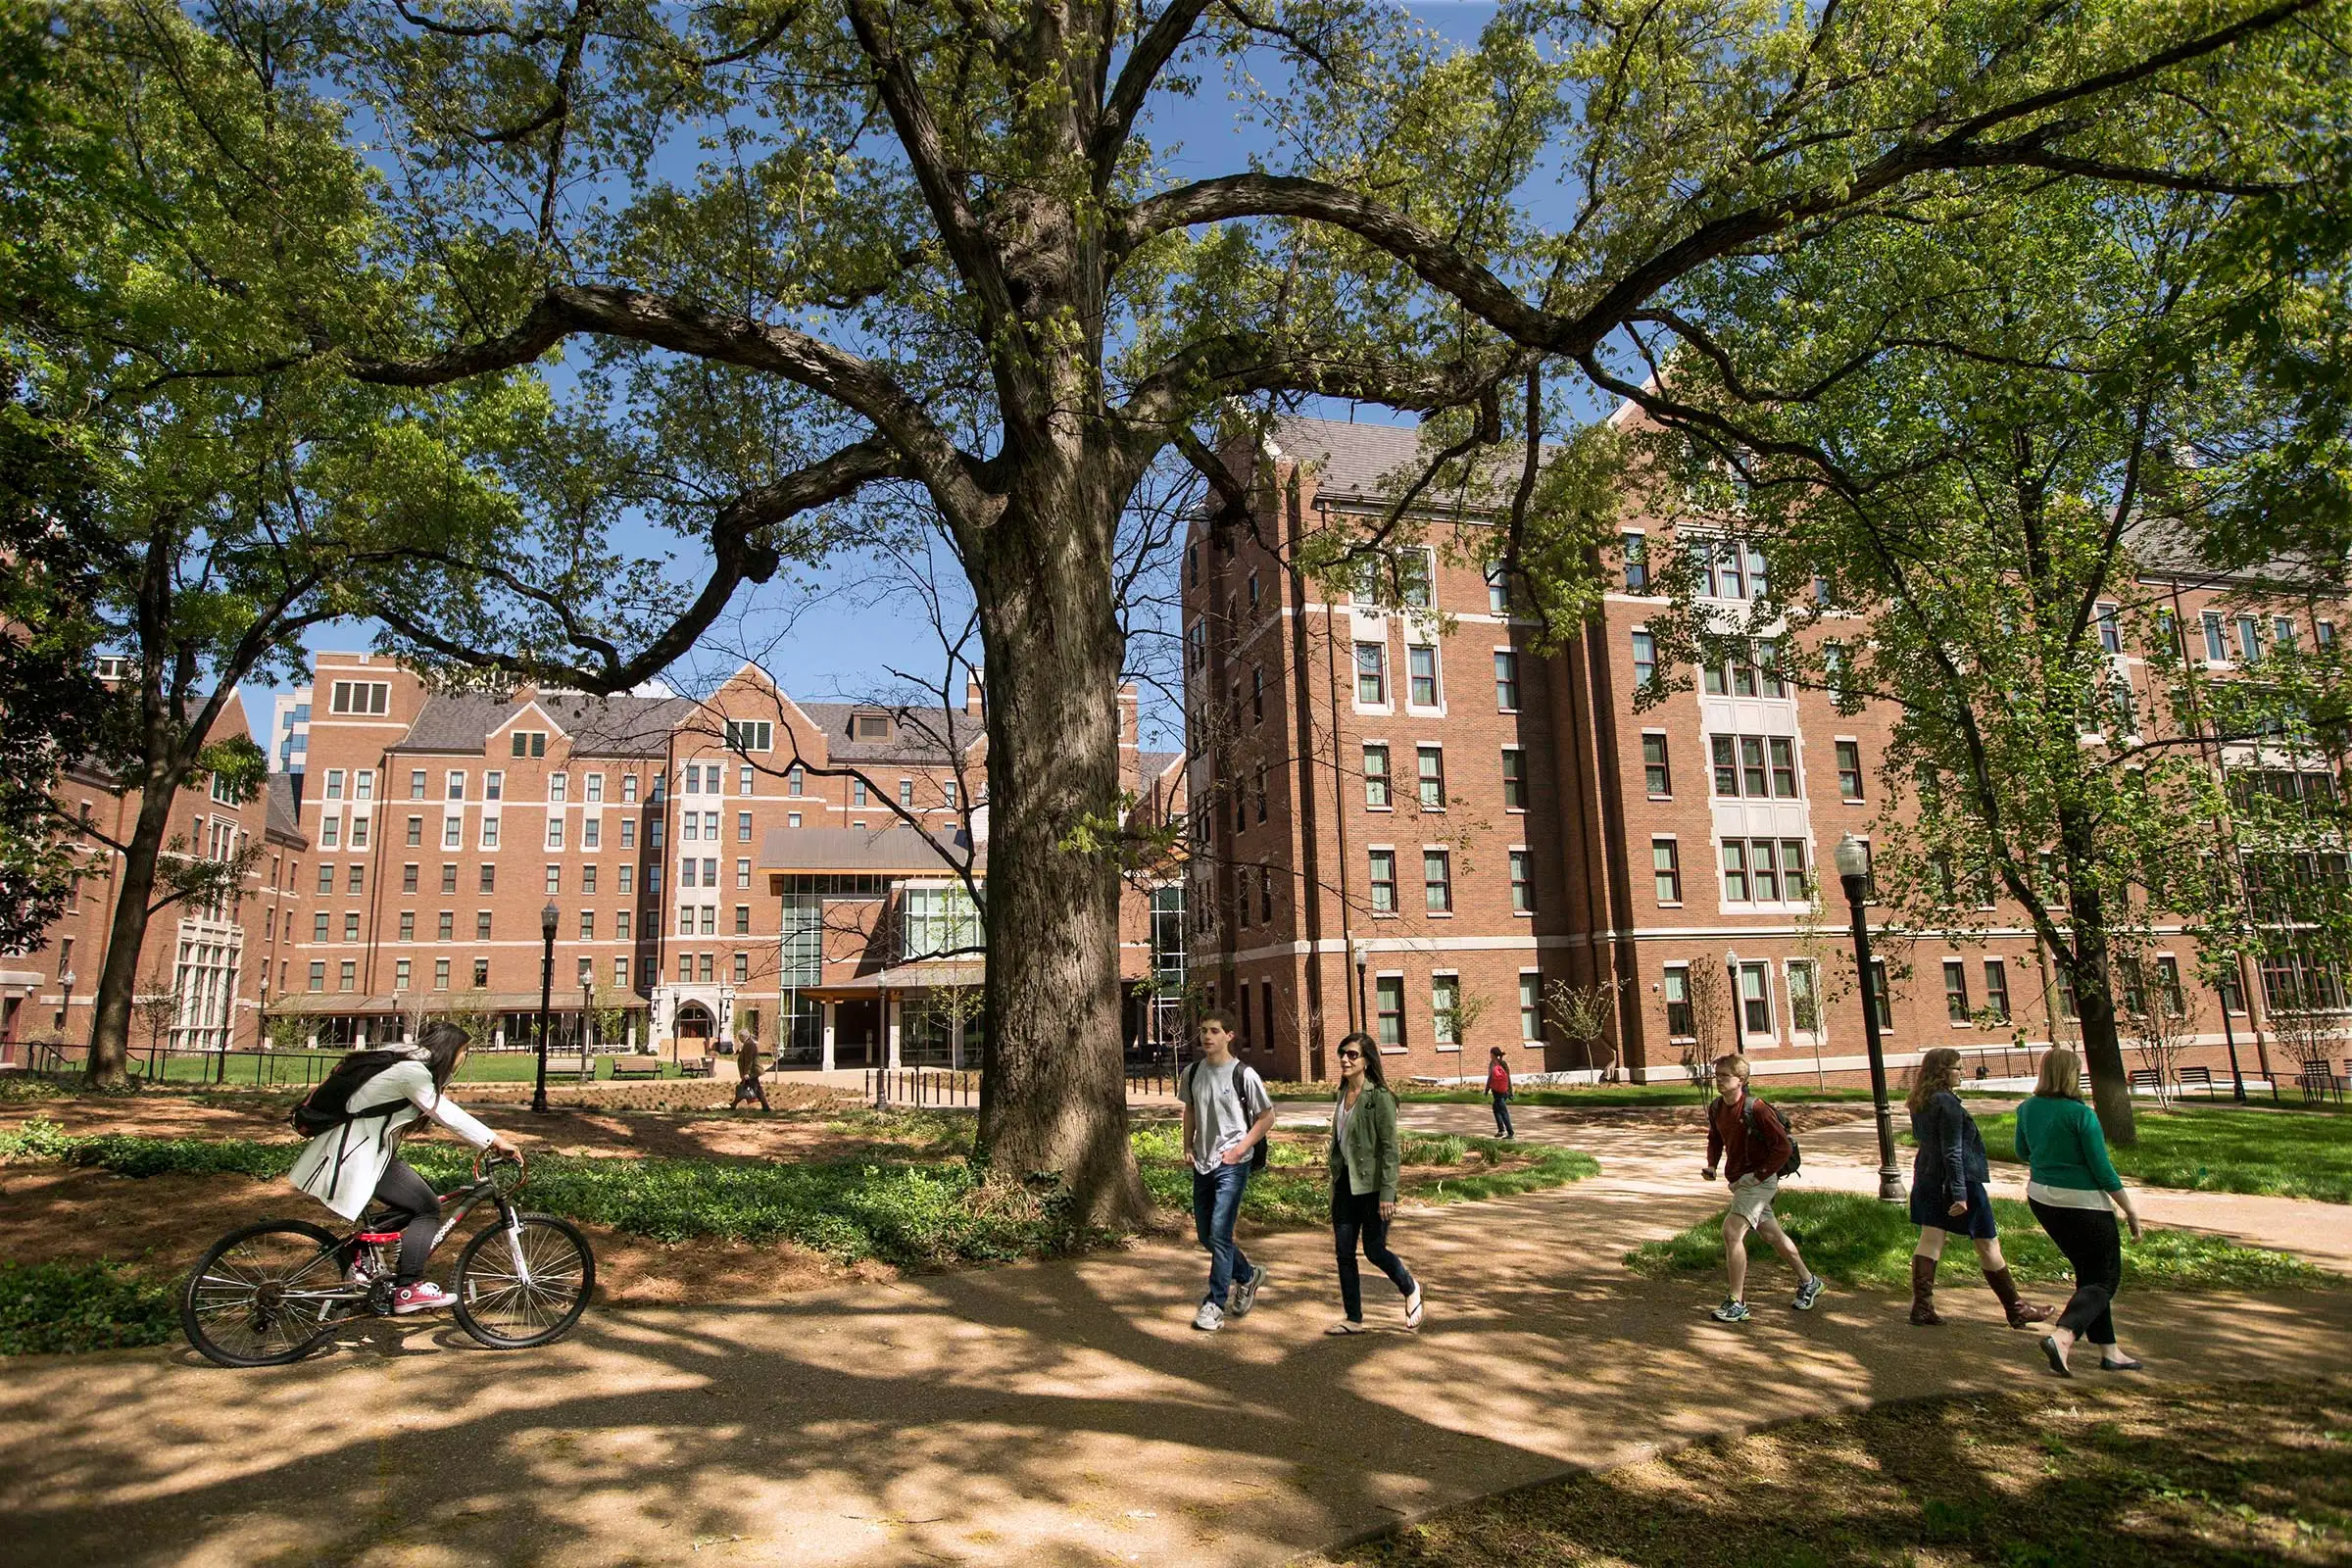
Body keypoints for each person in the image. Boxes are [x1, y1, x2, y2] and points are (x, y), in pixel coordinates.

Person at [287, 1022, 523, 1314]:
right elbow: (445, 1112)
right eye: (464, 1052)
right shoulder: (412, 1073)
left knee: (415, 1202)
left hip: (362, 1152)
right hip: (358, 1156)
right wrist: (495, 1141)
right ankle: (409, 1288)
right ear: (450, 1050)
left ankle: (359, 1253)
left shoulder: (402, 1056)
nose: (463, 1059)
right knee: (427, 1207)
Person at [2017, 1048, 2144, 1376]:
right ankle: (2063, 1336)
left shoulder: (2026, 1108)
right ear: (2072, 1075)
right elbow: (2101, 1169)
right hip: (2083, 1203)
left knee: (2090, 1276)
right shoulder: (2081, 1115)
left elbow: (2021, 1151)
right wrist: (2130, 1209)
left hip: (2042, 1199)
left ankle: (2110, 1351)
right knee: (2105, 1277)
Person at [1905, 1046, 2052, 1328]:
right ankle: (2016, 1308)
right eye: (1957, 1068)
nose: (1961, 1073)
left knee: (1931, 1238)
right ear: (1942, 1072)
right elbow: (1953, 1151)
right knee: (1987, 1241)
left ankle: (1922, 1307)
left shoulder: (1920, 1101)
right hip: (1958, 1182)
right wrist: (1960, 1194)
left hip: (1928, 1178)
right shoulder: (1946, 1104)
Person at [1700, 1054, 1824, 1322]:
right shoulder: (1717, 1107)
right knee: (1772, 1235)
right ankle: (1809, 1280)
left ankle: (1737, 1302)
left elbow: (1783, 1147)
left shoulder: (1757, 1109)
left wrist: (1759, 1176)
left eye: (1724, 1076)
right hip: (1740, 1181)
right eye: (1717, 1075)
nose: (1718, 1080)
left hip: (1759, 1180)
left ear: (1741, 1080)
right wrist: (1712, 1165)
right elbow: (1715, 1138)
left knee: (1732, 1231)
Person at [1178, 1008, 1276, 1332]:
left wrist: (1239, 1149)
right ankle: (1248, 1276)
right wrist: (1188, 1145)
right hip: (1203, 1163)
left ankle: (1214, 1304)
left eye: (1215, 1031)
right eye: (1204, 1030)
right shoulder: (1191, 1073)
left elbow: (1266, 1117)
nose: (1207, 1036)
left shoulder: (1243, 1075)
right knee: (1207, 1235)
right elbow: (1190, 1109)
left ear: (1229, 1036)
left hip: (1232, 1165)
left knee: (1220, 1233)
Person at [1325, 1032, 1423, 1334]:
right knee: (1344, 1252)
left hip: (1373, 1188)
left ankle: (1410, 1288)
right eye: (1343, 1053)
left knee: (1374, 1250)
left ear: (1367, 1061)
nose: (1345, 1059)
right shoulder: (1342, 1094)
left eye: (1352, 1054)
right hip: (1345, 1185)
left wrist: (1388, 1194)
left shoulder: (1379, 1097)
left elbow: (1389, 1148)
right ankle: (1353, 1318)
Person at [731, 1033, 771, 1111]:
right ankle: (734, 1104)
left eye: (740, 1037)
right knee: (743, 1086)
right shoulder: (749, 1043)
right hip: (752, 1072)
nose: (739, 1039)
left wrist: (747, 1073)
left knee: (757, 1090)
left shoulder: (748, 1044)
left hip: (752, 1072)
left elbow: (749, 1060)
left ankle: (766, 1107)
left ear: (743, 1037)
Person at [1484, 1046, 1514, 1139]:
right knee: (1496, 1109)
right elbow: (1508, 1078)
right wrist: (1510, 1091)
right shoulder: (1504, 1063)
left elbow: (1490, 1078)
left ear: (1492, 1054)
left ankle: (1510, 1132)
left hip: (1497, 1091)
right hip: (1505, 1090)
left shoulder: (1492, 1064)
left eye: (1490, 1053)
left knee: (1503, 1111)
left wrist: (1487, 1089)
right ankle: (1501, 1130)